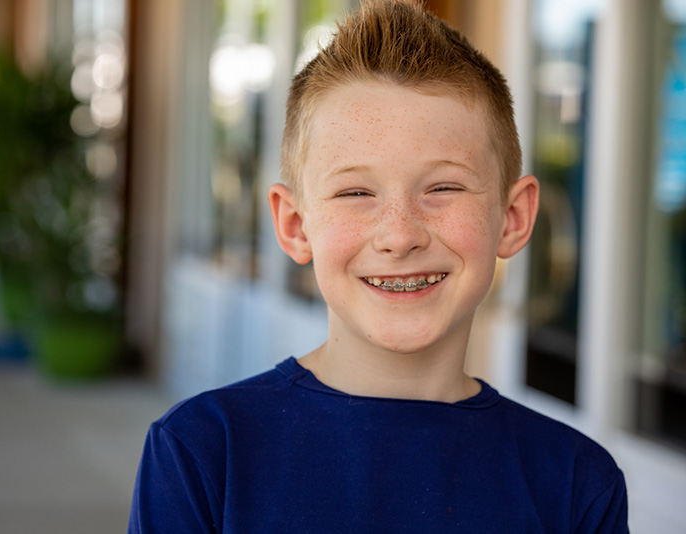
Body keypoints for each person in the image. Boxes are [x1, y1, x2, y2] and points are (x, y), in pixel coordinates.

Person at [128, 1, 629, 532]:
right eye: (356, 192)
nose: (399, 234)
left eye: (443, 187)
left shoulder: (577, 483)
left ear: (511, 218)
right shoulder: (203, 453)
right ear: (296, 225)